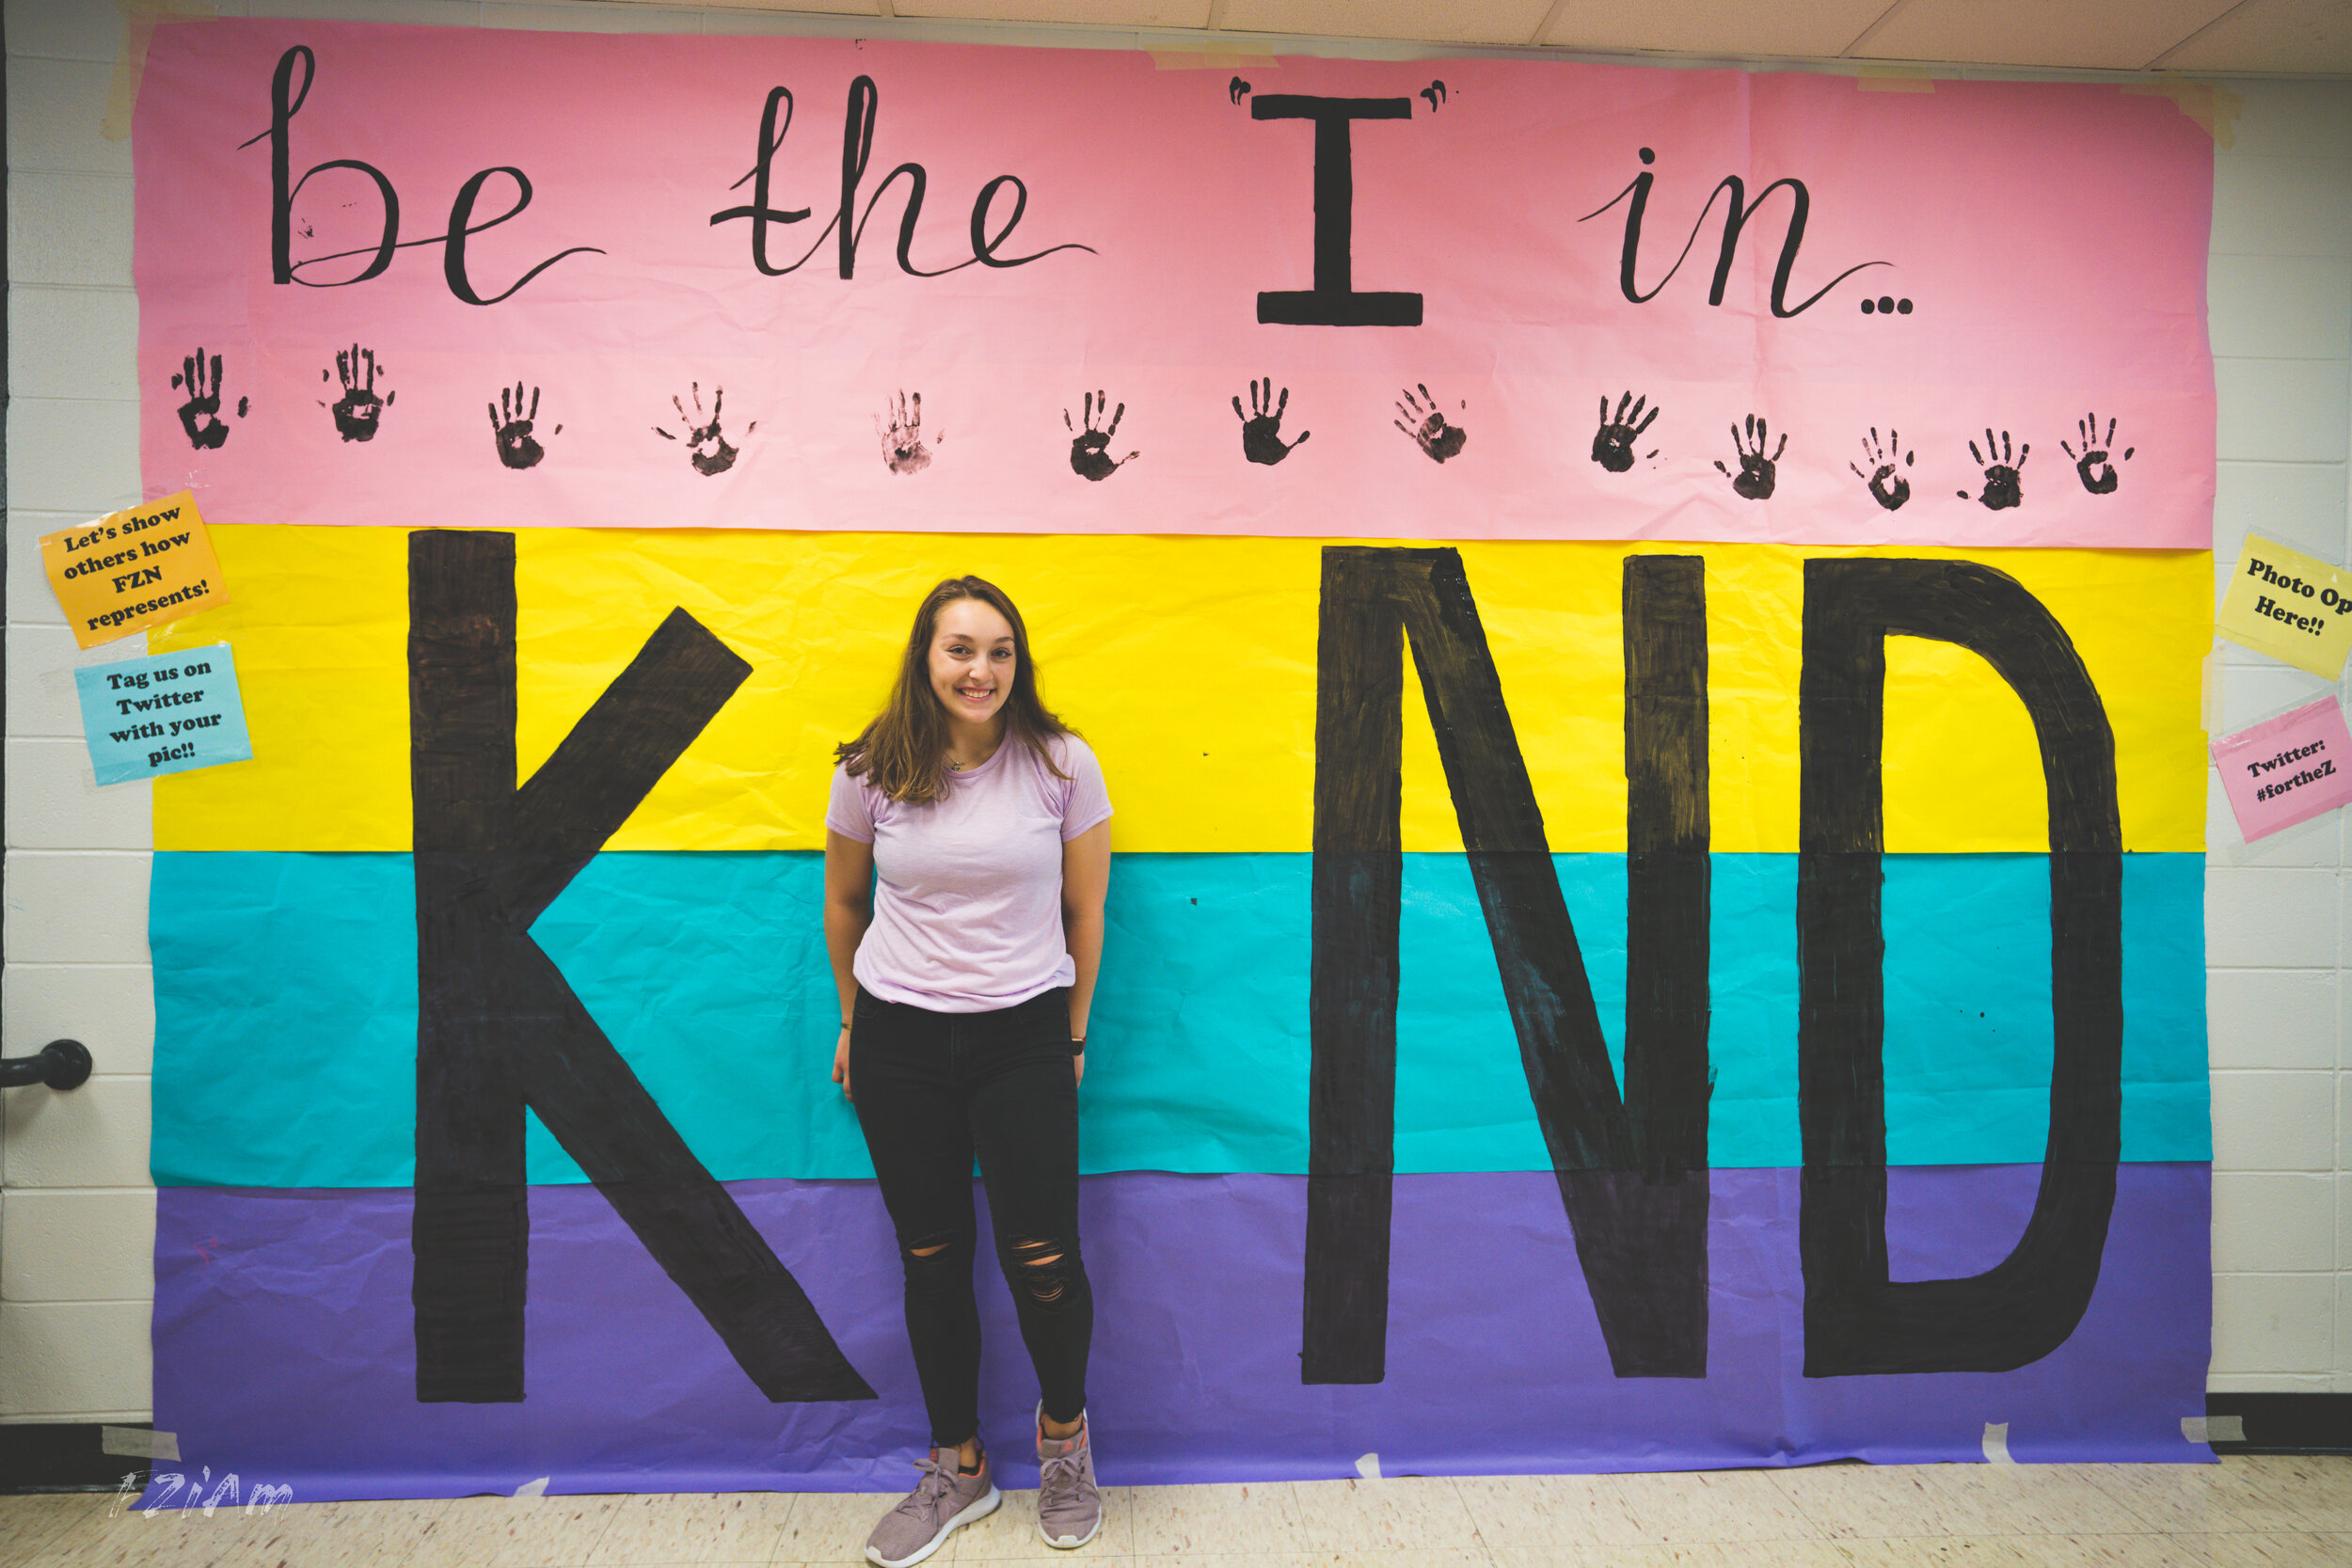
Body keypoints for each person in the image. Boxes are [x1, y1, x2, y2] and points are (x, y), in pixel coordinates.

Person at [823, 576, 1113, 1568]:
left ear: (1017, 661)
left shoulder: (1062, 765)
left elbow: (1085, 914)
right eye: (959, 648)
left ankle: (1065, 1441)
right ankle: (959, 1463)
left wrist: (1069, 1039)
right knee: (931, 1257)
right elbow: (845, 899)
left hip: (1023, 1031)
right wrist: (855, 1020)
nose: (979, 669)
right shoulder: (870, 767)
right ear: (925, 656)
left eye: (998, 650)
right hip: (901, 1037)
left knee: (1044, 1259)